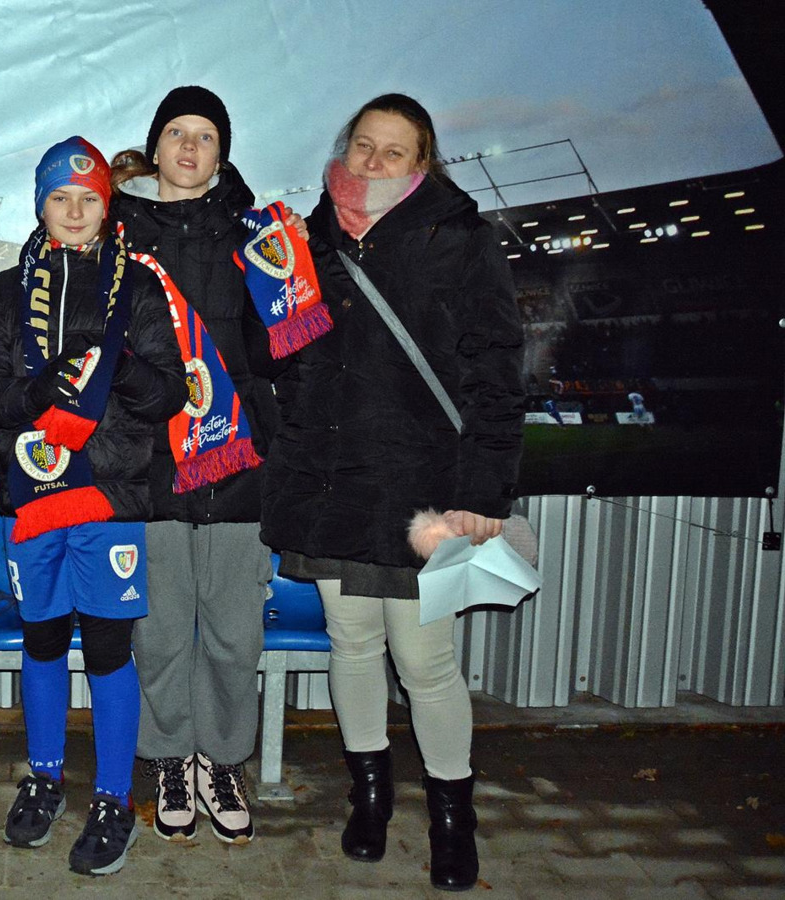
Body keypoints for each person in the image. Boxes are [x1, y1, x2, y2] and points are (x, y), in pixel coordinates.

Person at [261, 93, 524, 891]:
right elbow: (286, 356)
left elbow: (495, 369)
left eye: (394, 150)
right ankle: (369, 799)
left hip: (422, 491)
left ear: (423, 162)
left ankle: (452, 817)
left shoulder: (459, 237)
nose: (372, 162)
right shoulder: (310, 237)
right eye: (363, 145)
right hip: (332, 479)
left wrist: (483, 491)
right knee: (351, 644)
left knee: (425, 661)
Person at [0, 136, 188, 876]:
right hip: (31, 497)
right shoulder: (4, 290)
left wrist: (118, 366)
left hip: (108, 499)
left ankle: (115, 797)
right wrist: (38, 391)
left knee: (108, 649)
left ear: (107, 204)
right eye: (59, 197)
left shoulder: (138, 287)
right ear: (40, 205)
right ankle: (45, 777)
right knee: (41, 641)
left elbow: (171, 393)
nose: (73, 210)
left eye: (88, 197)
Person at [109, 85, 291, 845]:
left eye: (206, 135)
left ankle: (222, 759)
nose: (190, 147)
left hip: (237, 461)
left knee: (233, 634)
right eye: (177, 132)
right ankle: (169, 759)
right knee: (156, 633)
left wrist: (298, 277)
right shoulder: (113, 229)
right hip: (149, 461)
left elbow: (280, 349)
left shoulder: (255, 231)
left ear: (222, 152)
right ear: (155, 145)